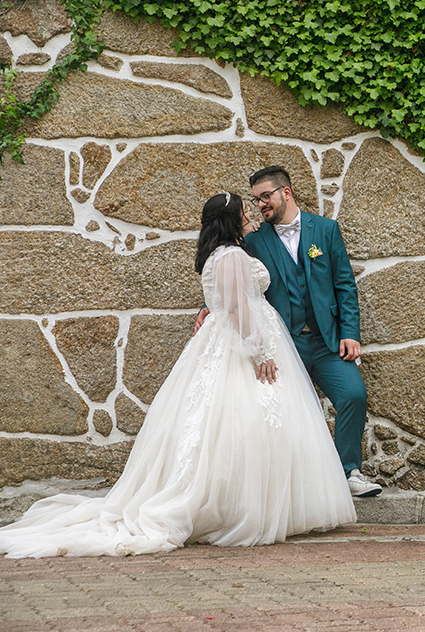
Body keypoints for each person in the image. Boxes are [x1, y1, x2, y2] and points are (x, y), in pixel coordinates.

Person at [0, 193, 355, 558]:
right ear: (231, 220)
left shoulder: (219, 254)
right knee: (249, 419)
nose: (251, 215)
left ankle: (260, 503)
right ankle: (241, 507)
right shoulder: (232, 255)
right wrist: (261, 352)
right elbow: (235, 307)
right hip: (244, 344)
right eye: (245, 212)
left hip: (229, 341)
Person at [196, 166, 381, 498]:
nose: (261, 204)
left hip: (326, 343)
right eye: (256, 199)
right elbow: (232, 284)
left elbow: (344, 285)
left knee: (353, 394)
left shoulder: (325, 230)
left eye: (266, 196)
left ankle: (348, 472)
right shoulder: (252, 240)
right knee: (281, 413)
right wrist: (208, 309)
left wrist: (349, 332)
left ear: (286, 192)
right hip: (283, 343)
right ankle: (297, 486)